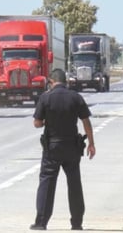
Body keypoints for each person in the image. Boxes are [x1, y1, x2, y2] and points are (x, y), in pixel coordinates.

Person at [30, 68, 96, 231]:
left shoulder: (45, 97)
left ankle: (41, 222)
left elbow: (37, 123)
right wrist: (91, 144)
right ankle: (77, 223)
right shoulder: (75, 97)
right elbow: (86, 122)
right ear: (64, 81)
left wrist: (47, 122)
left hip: (52, 147)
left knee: (47, 181)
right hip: (72, 148)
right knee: (74, 184)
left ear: (51, 81)